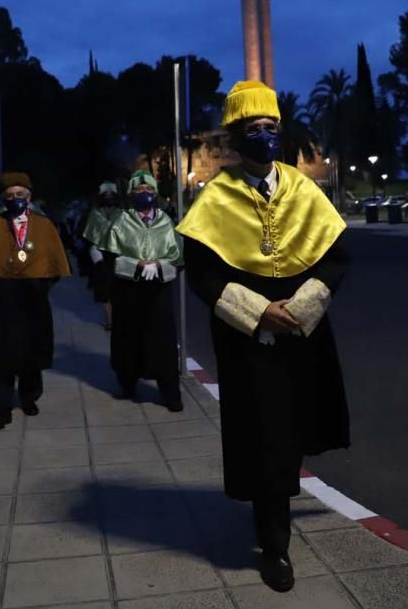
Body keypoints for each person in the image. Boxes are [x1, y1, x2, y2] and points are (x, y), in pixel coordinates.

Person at [176, 81, 351, 594]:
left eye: (270, 128)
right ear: (235, 138)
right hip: (247, 337)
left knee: (293, 429)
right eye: (252, 130)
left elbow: (338, 258)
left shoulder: (302, 188)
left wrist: (299, 308)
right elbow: (202, 273)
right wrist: (257, 312)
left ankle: (278, 506)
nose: (263, 136)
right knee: (264, 436)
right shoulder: (216, 196)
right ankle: (274, 545)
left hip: (303, 330)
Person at [0, 172, 71, 430]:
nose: (15, 199)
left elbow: (55, 262)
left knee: (33, 351)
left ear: (29, 197)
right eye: (9, 196)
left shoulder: (43, 225)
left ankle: (30, 397)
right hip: (5, 298)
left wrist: (40, 283)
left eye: (20, 195)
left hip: (34, 298)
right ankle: (1, 408)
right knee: (3, 355)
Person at [100, 170, 184, 411]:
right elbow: (110, 257)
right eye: (139, 190)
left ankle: (171, 394)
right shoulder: (120, 222)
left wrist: (159, 265)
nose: (145, 194)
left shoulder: (167, 222)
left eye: (149, 190)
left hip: (159, 292)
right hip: (129, 292)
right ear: (131, 194)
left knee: (164, 342)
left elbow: (178, 257)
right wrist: (136, 265)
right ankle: (128, 383)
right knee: (129, 338)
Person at [81, 182, 122, 328]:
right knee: (105, 290)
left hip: (119, 255)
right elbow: (89, 235)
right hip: (101, 257)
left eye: (111, 195)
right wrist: (94, 251)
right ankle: (110, 319)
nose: (109, 198)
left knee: (119, 289)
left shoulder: (122, 214)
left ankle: (118, 318)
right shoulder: (95, 214)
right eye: (106, 195)